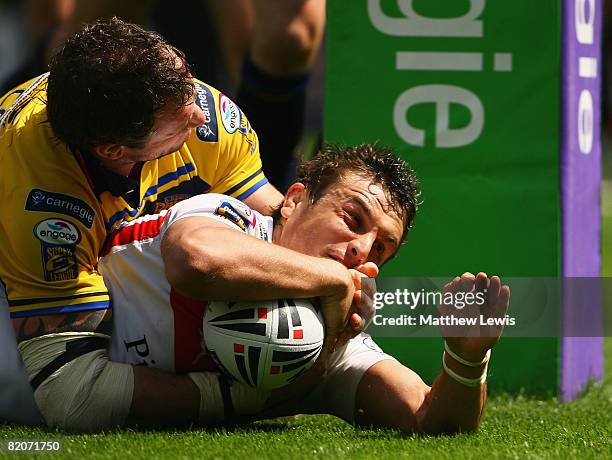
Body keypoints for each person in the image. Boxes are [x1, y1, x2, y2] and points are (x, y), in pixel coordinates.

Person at [0, 18, 364, 426]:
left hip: (112, 262)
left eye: (188, 85)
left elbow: (276, 230)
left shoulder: (204, 113)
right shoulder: (43, 204)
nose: (198, 112)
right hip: (18, 278)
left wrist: (336, 288)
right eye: (180, 112)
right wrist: (247, 397)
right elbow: (72, 395)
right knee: (24, 400)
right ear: (113, 149)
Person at [95, 144, 508, 433]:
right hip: (36, 356)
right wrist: (331, 281)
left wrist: (465, 361)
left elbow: (426, 417)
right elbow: (196, 261)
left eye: (380, 248)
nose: (361, 248)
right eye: (352, 218)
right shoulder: (227, 217)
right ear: (293, 200)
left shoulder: (337, 337)